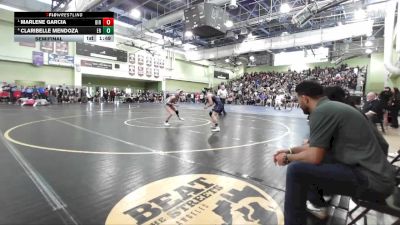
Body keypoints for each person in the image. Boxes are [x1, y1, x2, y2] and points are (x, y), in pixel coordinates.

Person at [273, 80, 396, 225]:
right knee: (307, 161)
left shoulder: (321, 112)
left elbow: (314, 157)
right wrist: (290, 150)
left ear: (305, 98)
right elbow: (314, 146)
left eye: (299, 100)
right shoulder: (332, 108)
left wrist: (287, 158)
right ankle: (316, 203)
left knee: (296, 170)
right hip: (379, 176)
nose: (299, 104)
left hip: (373, 181)